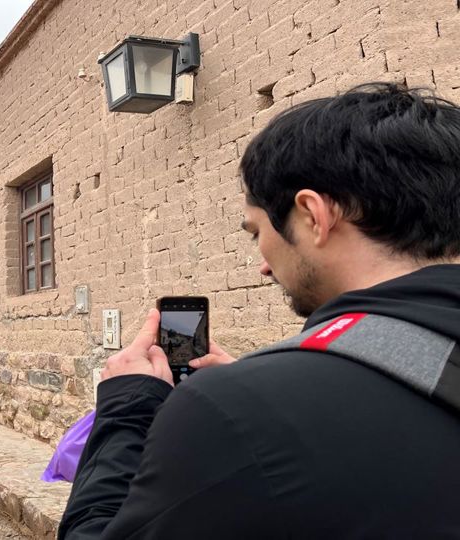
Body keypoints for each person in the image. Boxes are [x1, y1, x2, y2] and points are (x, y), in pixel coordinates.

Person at [59, 83, 460, 538]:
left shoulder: (235, 410)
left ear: (313, 215)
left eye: (256, 232)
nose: (264, 266)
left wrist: (130, 408)